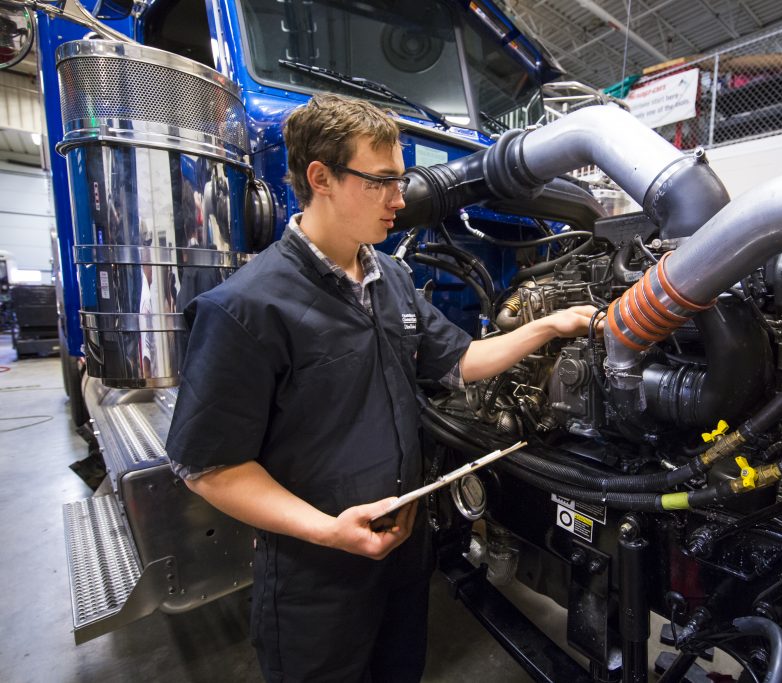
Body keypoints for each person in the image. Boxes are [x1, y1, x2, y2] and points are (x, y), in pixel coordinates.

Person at [164, 93, 599, 682]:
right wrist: (327, 531)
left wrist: (549, 324)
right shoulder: (246, 307)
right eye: (383, 181)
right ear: (321, 177)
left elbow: (461, 360)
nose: (401, 199)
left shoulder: (390, 278)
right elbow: (211, 468)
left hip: (402, 553)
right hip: (316, 575)